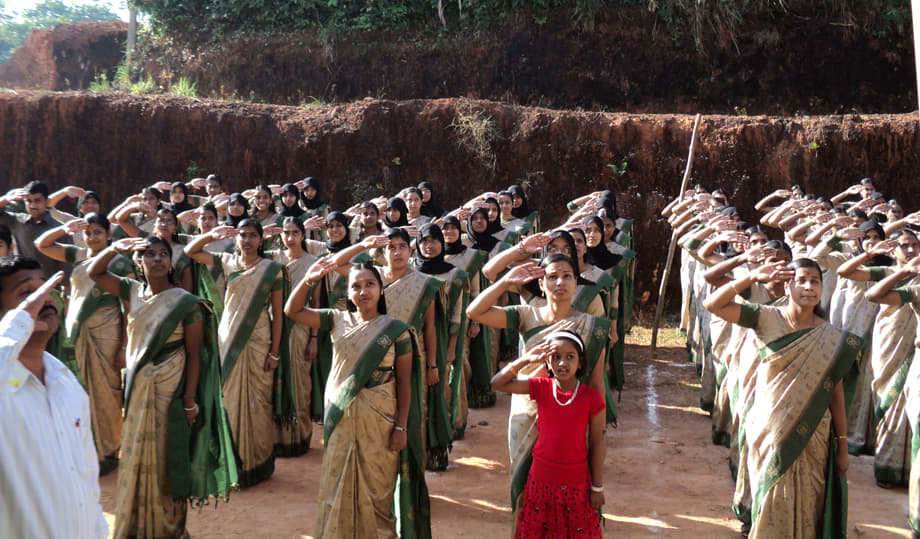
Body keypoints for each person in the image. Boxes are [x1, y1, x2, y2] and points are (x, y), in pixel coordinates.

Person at [89, 237, 237, 537]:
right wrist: (114, 248)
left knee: (167, 457)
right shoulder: (131, 290)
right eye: (148, 254)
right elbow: (95, 272)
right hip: (138, 389)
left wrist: (189, 400)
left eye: (162, 255)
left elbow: (195, 355)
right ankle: (136, 526)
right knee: (135, 454)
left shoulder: (185, 302)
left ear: (171, 262)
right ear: (138, 262)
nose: (156, 259)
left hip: (171, 393)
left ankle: (167, 528)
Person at [704, 258, 858, 538]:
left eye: (814, 281)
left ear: (823, 289)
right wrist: (750, 277)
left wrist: (843, 446)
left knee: (811, 505)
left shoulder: (832, 337)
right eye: (801, 280)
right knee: (770, 502)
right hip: (769, 432)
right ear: (788, 287)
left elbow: (835, 392)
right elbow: (713, 305)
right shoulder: (766, 317)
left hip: (813, 435)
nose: (808, 287)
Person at [285, 261, 430, 538]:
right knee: (336, 481)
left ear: (381, 290)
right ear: (348, 293)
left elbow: (404, 382)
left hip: (381, 420)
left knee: (378, 488)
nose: (363, 291)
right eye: (356, 286)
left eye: (370, 284)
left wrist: (401, 427)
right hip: (341, 415)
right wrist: (308, 280)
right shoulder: (335, 319)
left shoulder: (397, 331)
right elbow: (292, 311)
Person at [467, 254, 610, 523]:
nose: (560, 282)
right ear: (541, 284)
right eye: (552, 276)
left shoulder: (593, 327)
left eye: (567, 276)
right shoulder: (526, 314)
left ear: (577, 283)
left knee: (571, 495)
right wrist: (506, 282)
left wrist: (598, 430)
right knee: (524, 489)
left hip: (572, 419)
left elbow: (596, 382)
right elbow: (474, 312)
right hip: (527, 411)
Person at [0, 260, 107, 538]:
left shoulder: (67, 385)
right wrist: (19, 322)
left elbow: (85, 483)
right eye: (27, 293)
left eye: (47, 289)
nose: (45, 299)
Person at [185, 218, 295, 487]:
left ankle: (257, 463)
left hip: (260, 341)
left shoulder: (273, 271)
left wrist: (275, 352)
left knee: (259, 403)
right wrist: (211, 234)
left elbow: (279, 315)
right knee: (230, 402)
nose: (247, 240)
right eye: (242, 235)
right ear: (236, 239)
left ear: (261, 239)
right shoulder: (228, 261)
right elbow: (191, 252)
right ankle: (233, 465)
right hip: (229, 339)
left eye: (252, 236)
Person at [34, 213, 135, 473]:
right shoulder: (78, 254)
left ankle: (109, 451)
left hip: (107, 333)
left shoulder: (121, 263)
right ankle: (82, 450)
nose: (92, 238)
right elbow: (42, 245)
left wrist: (125, 345)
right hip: (76, 333)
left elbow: (128, 306)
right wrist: (64, 229)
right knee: (76, 390)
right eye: (88, 233)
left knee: (107, 390)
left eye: (98, 232)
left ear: (108, 234)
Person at [491, 330, 605, 538]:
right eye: (556, 357)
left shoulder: (591, 398)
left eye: (570, 357)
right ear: (548, 363)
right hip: (540, 482)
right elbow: (497, 383)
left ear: (580, 363)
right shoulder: (541, 387)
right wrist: (525, 359)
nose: (562, 363)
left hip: (576, 484)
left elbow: (597, 442)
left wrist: (597, 487)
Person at [415, 223, 469, 462]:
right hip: (413, 342)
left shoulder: (454, 275)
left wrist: (450, 348)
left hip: (442, 337)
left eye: (434, 240)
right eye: (424, 241)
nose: (429, 245)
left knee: (439, 392)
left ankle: (436, 449)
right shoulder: (410, 271)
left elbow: (457, 314)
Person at [272, 217, 320, 456]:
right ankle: (276, 439)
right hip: (273, 331)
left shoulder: (313, 263)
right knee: (274, 383)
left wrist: (314, 338)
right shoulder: (273, 260)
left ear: (303, 235)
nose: (290, 237)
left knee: (300, 383)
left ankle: (299, 438)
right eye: (285, 232)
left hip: (300, 330)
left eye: (295, 232)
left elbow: (316, 302)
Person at [0, 181, 70, 276]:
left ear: (47, 201)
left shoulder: (60, 229)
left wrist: (65, 289)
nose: (32, 205)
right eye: (28, 201)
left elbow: (67, 267)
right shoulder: (17, 221)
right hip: (21, 285)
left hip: (50, 287)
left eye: (37, 201)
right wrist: (5, 199)